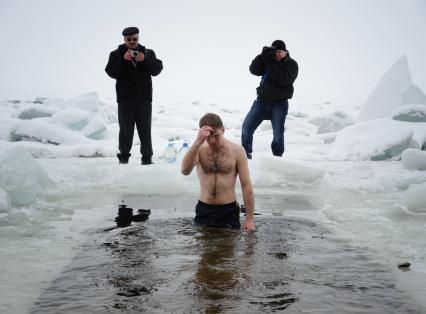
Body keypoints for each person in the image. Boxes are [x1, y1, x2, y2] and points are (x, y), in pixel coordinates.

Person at [181, 113, 255, 231]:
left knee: (227, 248)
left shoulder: (237, 151)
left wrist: (249, 219)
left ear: (223, 130)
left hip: (228, 211)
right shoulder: (199, 149)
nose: (212, 140)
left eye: (216, 135)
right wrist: (197, 142)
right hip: (204, 209)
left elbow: (246, 185)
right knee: (204, 248)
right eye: (208, 137)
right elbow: (185, 171)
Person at [105, 27, 163, 165]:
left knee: (145, 130)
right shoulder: (116, 54)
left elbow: (157, 69)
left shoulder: (148, 52)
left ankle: (147, 159)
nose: (132, 41)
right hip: (125, 100)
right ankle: (123, 160)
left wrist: (145, 59)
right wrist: (124, 60)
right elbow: (111, 72)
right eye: (129, 39)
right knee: (126, 131)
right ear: (124, 39)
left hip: (144, 100)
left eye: (134, 39)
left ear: (138, 38)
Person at [241, 40, 298, 159]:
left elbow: (283, 79)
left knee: (278, 135)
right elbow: (253, 70)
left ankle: (277, 158)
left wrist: (270, 63)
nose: (277, 54)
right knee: (246, 128)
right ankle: (246, 156)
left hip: (279, 104)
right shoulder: (268, 60)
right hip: (261, 102)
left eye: (280, 52)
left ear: (285, 52)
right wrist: (261, 56)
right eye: (275, 52)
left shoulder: (291, 64)